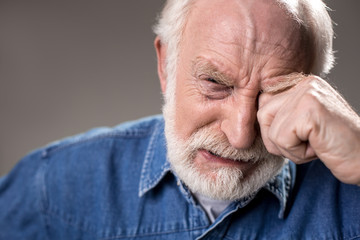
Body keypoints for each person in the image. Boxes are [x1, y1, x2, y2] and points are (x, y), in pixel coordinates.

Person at [1, 0, 359, 239]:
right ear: (165, 65)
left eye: (274, 95)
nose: (239, 135)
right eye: (215, 84)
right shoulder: (53, 184)